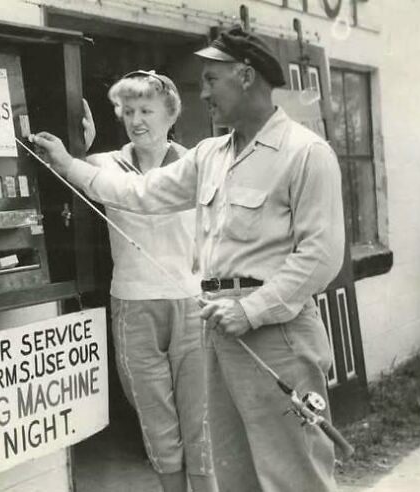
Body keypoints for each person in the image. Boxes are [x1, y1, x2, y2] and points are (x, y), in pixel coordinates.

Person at [31, 26, 344, 492]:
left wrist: (250, 309)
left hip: (277, 332)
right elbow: (141, 192)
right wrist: (68, 165)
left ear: (245, 76)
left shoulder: (305, 153)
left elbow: (321, 256)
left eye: (211, 80)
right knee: (233, 471)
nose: (202, 92)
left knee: (293, 472)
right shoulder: (210, 155)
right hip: (217, 326)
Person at [84, 71, 216, 492]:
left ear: (170, 113)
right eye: (128, 111)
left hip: (192, 305)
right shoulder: (102, 164)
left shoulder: (198, 163)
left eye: (147, 110)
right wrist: (79, 143)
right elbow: (65, 169)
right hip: (133, 306)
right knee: (156, 419)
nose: (136, 120)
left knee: (202, 417)